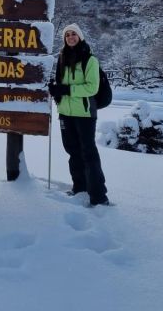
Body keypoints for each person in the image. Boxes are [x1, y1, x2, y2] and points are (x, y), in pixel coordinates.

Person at [47, 23, 110, 206]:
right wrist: (56, 89)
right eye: (67, 35)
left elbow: (92, 87)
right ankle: (79, 187)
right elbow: (61, 85)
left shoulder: (90, 60)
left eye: (74, 34)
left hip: (84, 113)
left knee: (88, 153)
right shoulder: (62, 59)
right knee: (73, 152)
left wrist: (66, 89)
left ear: (80, 36)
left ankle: (98, 195)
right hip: (65, 113)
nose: (71, 37)